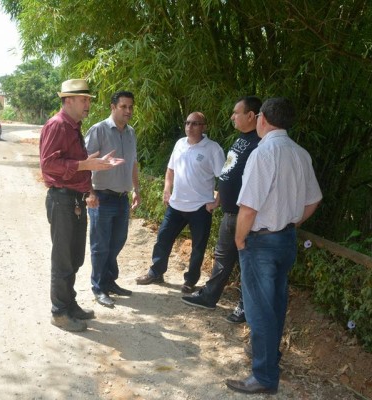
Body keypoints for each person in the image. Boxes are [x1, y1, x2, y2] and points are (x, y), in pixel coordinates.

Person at [225, 98, 322, 394]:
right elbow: (314, 200)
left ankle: (265, 376)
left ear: (262, 118)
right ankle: (270, 357)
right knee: (276, 305)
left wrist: (240, 239)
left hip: (261, 242)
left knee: (258, 310)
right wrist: (290, 221)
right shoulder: (300, 153)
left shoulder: (262, 152)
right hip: (286, 240)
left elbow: (249, 207)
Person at [40, 79, 124, 332]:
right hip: (62, 200)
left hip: (74, 199)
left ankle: (70, 303)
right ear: (68, 100)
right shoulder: (57, 125)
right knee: (63, 258)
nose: (88, 104)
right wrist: (85, 165)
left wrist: (90, 173)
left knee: (75, 256)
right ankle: (59, 312)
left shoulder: (74, 126)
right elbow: (49, 165)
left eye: (88, 99)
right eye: (83, 99)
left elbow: (74, 163)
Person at [181, 96, 261, 324]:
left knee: (248, 261)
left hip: (246, 213)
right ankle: (209, 296)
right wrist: (219, 198)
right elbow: (229, 172)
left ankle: (246, 307)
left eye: (236, 113)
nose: (232, 117)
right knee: (222, 258)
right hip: (230, 211)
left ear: (251, 115)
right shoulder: (242, 138)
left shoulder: (260, 142)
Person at [135, 112, 225, 293]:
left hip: (200, 207)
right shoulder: (179, 144)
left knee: (198, 247)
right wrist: (167, 189)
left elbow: (223, 178)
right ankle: (156, 272)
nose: (190, 127)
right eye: (187, 123)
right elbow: (170, 170)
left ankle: (190, 281)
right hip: (176, 204)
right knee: (163, 239)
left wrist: (217, 201)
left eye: (195, 124)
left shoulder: (213, 149)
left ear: (204, 127)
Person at [85, 91, 140, 307]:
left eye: (130, 107)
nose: (128, 111)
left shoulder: (131, 133)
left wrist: (136, 188)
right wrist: (89, 192)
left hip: (122, 198)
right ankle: (98, 287)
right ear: (113, 107)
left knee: (117, 241)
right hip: (101, 197)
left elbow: (133, 163)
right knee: (100, 245)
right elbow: (85, 162)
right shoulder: (98, 130)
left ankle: (109, 281)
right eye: (124, 106)